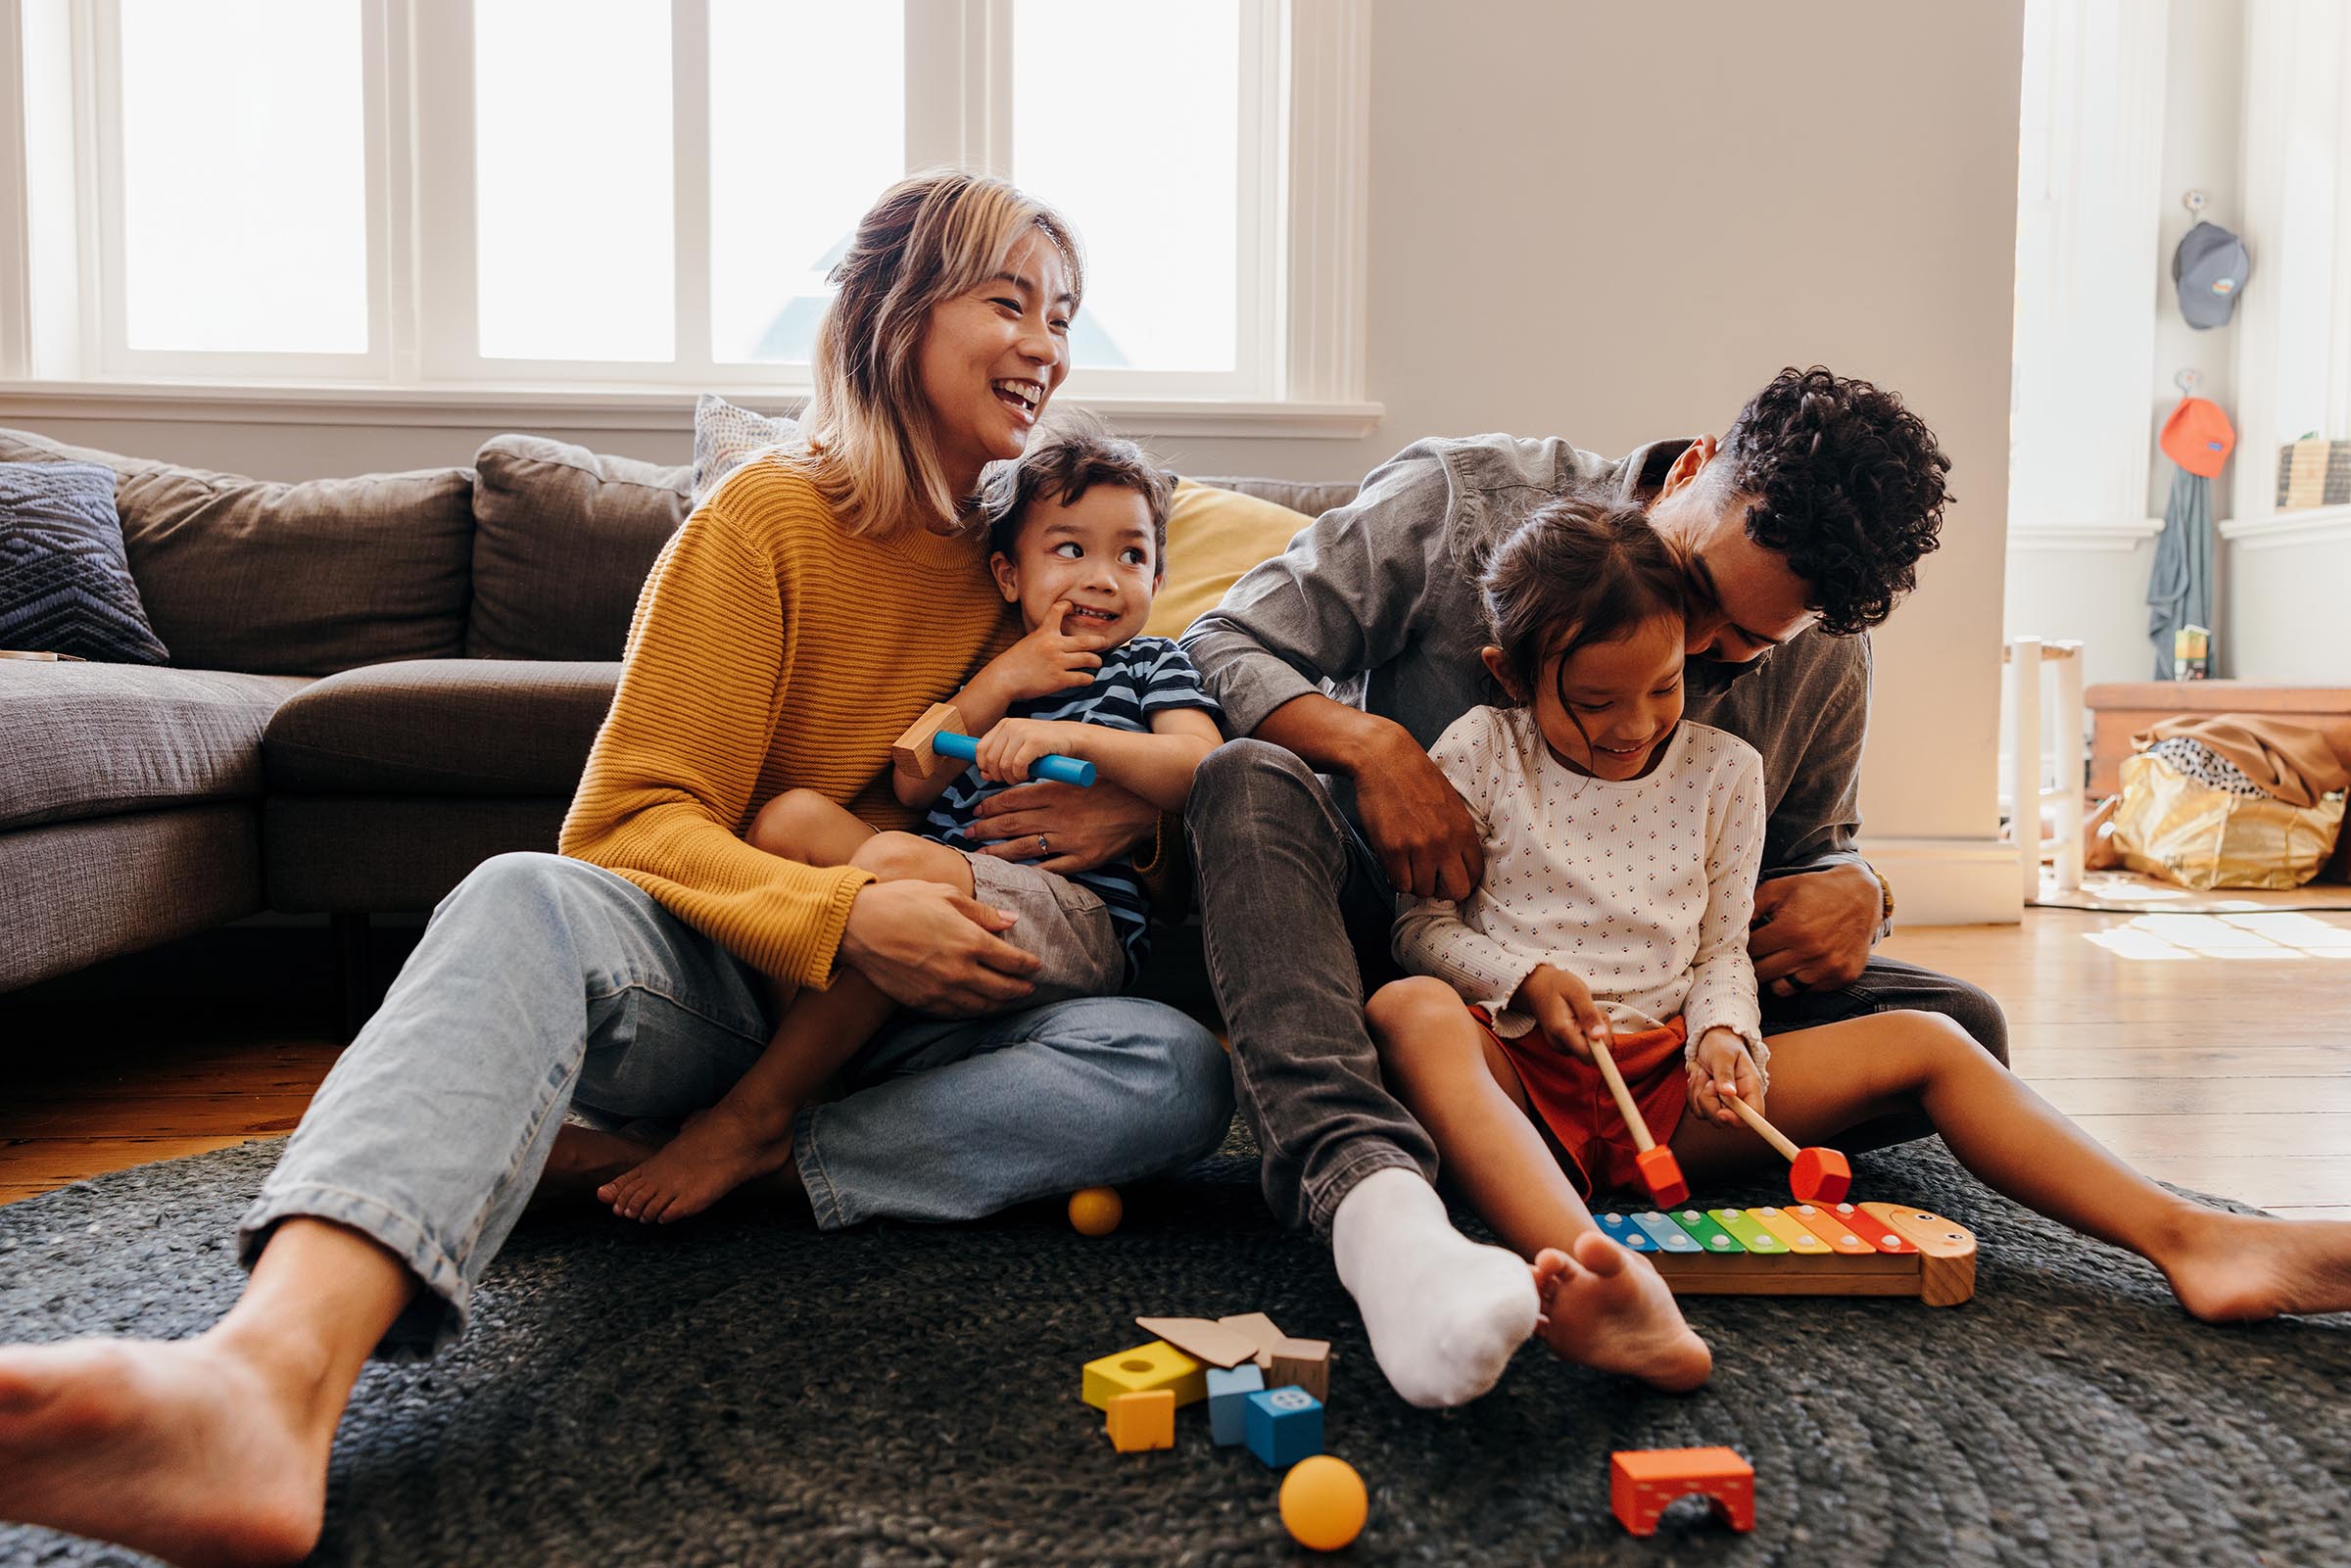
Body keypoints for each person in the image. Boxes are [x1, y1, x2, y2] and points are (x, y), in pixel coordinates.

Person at [0, 172, 1234, 1567]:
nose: (1046, 342)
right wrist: (845, 913)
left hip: (936, 1021)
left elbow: (1149, 765)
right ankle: (259, 1384)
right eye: (1008, 301)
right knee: (521, 892)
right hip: (736, 983)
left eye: (1062, 316)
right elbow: (632, 820)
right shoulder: (764, 522)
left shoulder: (1041, 560)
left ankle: (705, 1161)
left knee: (1171, 1070)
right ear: (893, 314)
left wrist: (1133, 827)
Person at [1367, 497, 2351, 1371]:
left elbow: (1718, 953)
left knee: (1933, 1036)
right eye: (1592, 704)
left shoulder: (1724, 774)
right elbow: (1422, 926)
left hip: (1668, 1087)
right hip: (1519, 1076)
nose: (1633, 727)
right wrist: (1524, 976)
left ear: (1689, 654)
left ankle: (2193, 1239)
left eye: (1661, 688)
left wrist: (1725, 1035)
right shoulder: (1482, 750)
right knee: (1408, 1008)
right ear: (1513, 672)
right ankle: (1608, 1274)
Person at [1179, 368, 2001, 1407]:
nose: (1695, 653)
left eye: (1741, 649)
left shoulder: (1828, 651)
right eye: (1697, 593)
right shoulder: (1456, 503)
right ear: (1697, 468)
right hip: (1389, 941)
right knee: (1246, 782)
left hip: (1644, 1015)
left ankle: (1554, 1140)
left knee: (1961, 1023)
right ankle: (1369, 1188)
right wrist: (1375, 748)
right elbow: (1221, 640)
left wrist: (1861, 887)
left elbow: (1809, 854)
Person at [597, 423, 1223, 1224]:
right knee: (792, 820)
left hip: (1071, 915)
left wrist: (1071, 737)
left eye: (1131, 556)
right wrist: (1000, 682)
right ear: (1009, 572)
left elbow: (1199, 766)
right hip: (938, 890)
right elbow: (913, 775)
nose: (1102, 578)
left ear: (1158, 577)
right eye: (1070, 550)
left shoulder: (1152, 664)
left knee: (900, 861)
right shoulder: (997, 666)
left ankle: (758, 1114)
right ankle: (816, 1077)